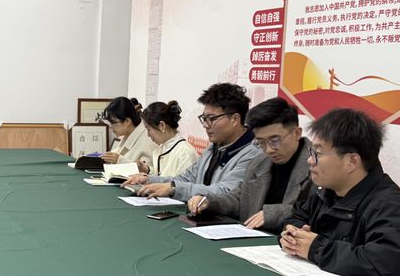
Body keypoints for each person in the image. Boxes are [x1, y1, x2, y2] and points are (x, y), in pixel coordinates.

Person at [279, 107, 400, 276]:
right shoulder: (326, 191)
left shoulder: (389, 206)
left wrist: (317, 248)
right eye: (312, 152)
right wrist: (293, 236)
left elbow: (387, 263)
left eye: (318, 154)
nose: (310, 160)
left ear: (352, 161)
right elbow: (296, 217)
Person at [186, 97, 311, 232]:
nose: (269, 150)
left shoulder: (318, 166)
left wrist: (273, 214)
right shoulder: (258, 162)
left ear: (296, 133)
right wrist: (208, 202)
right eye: (261, 142)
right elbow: (238, 199)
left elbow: (314, 211)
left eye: (275, 141)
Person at [126, 83, 260, 201]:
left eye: (212, 118)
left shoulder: (253, 154)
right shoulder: (213, 148)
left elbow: (225, 192)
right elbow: (187, 178)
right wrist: (149, 179)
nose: (206, 125)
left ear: (235, 119)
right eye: (204, 118)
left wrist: (173, 188)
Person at [136, 101, 199, 178]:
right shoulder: (162, 148)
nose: (148, 135)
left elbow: (182, 183)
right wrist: (147, 169)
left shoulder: (185, 153)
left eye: (148, 129)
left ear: (162, 125)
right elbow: (161, 175)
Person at [99, 96, 156, 167]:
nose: (111, 127)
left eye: (113, 123)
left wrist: (120, 160)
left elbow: (148, 170)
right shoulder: (127, 134)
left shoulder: (148, 138)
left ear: (127, 121)